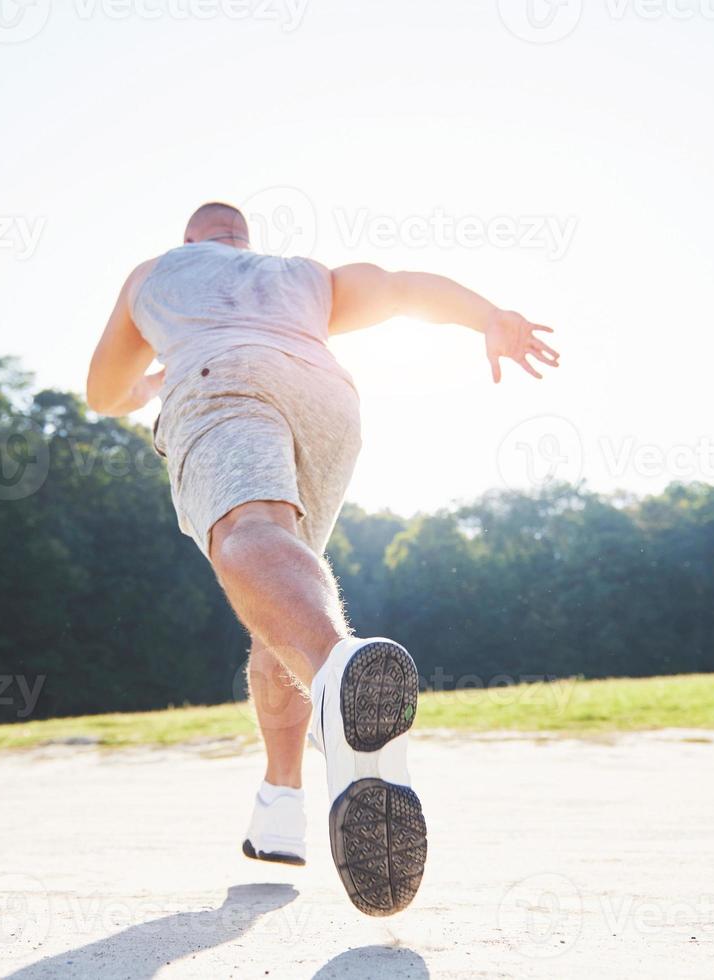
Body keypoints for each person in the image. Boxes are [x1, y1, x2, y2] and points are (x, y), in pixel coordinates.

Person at [85, 201, 559, 916]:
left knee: (247, 532)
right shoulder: (300, 274)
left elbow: (101, 392)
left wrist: (148, 385)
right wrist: (488, 316)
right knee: (277, 591)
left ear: (193, 238)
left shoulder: (158, 271)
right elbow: (398, 288)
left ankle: (336, 675)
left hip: (222, 378)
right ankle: (280, 802)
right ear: (245, 238)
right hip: (326, 397)